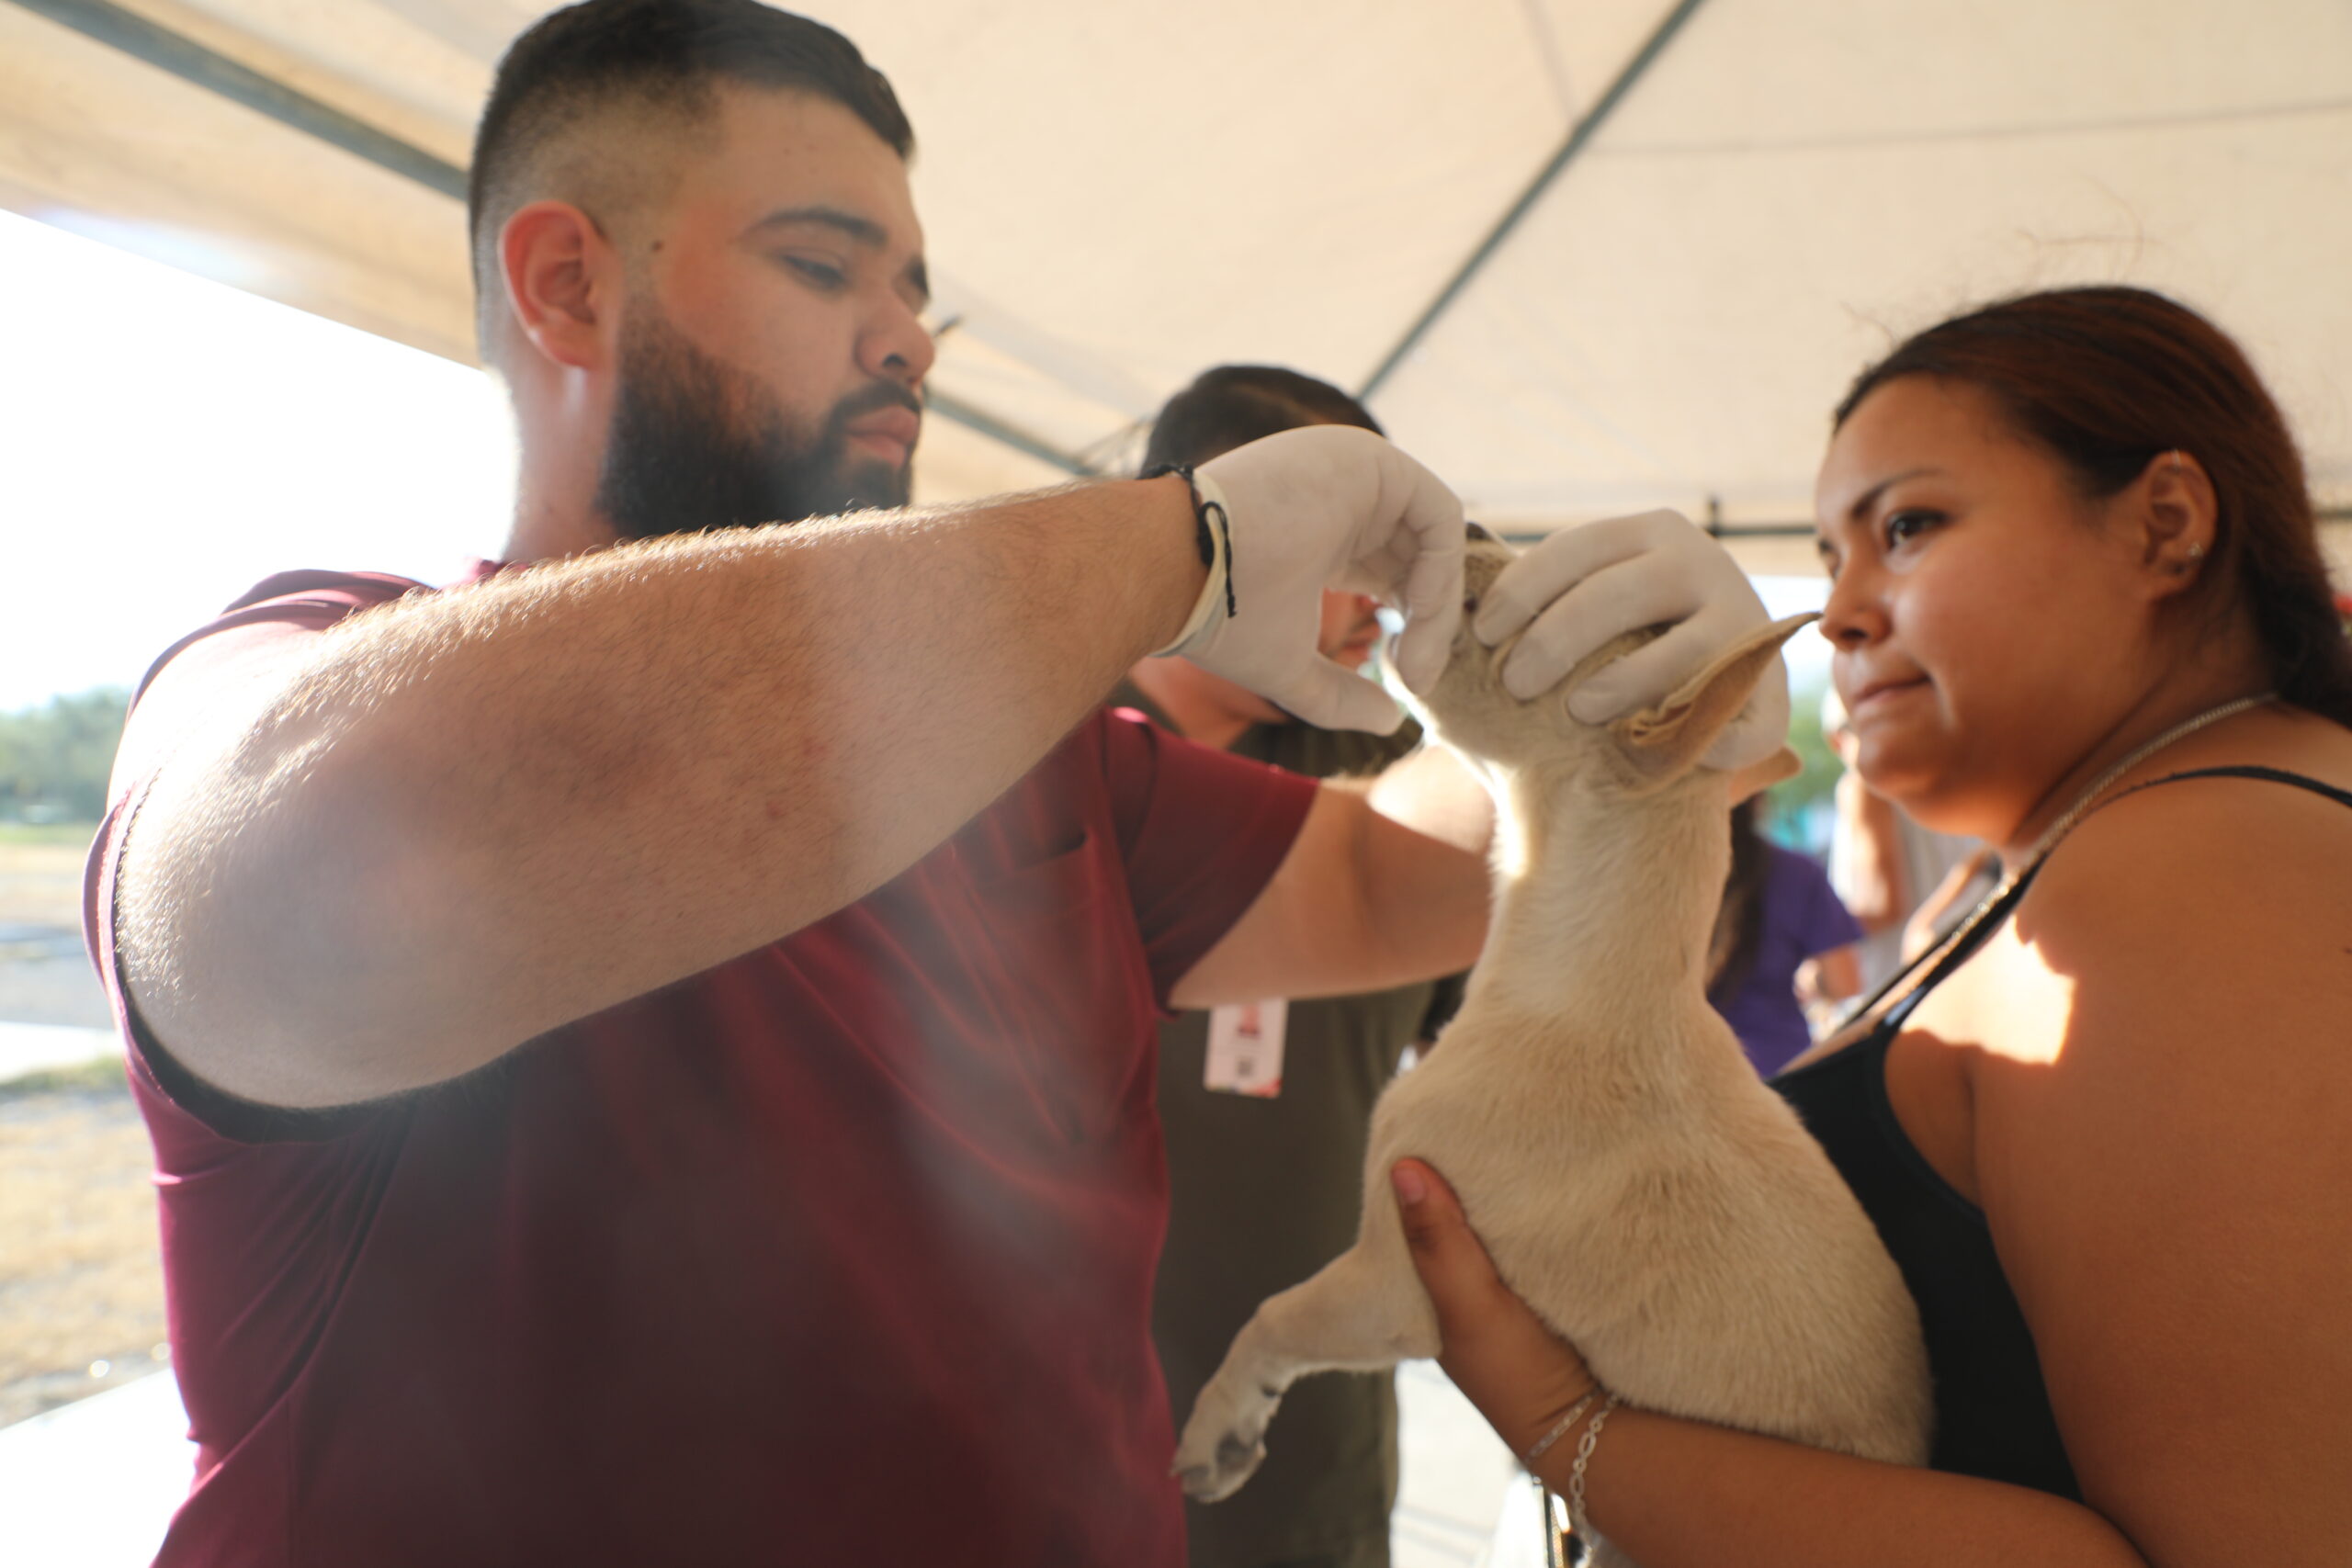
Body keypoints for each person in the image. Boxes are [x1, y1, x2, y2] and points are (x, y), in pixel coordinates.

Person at [81, 5, 1785, 1564]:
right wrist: (1176, 542)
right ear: (565, 284)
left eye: (918, 294)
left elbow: (1399, 878)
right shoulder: (314, 666)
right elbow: (320, 890)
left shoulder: (1049, 769)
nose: (908, 343)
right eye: (830, 269)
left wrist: (1630, 718)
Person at [1389, 284, 2352, 1566]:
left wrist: (1571, 1422)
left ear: (2164, 526)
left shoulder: (2196, 867)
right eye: (1832, 556)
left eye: (1907, 525)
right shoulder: (2104, 848)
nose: (1836, 611)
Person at [1121, 367, 1463, 1568]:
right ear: (1203, 520)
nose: (1383, 596)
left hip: (1307, 1457)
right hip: (1047, 1438)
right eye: (1349, 546)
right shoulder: (1036, 750)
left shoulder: (1410, 777)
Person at [1704, 796, 1860, 1077]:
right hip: (1783, 1077)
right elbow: (1845, 983)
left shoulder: (1653, 882)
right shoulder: (1798, 873)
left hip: (1684, 1080)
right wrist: (1813, 982)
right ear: (1759, 799)